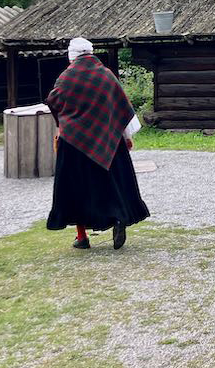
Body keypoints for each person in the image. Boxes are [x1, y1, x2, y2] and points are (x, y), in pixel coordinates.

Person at [46, 37, 149, 249]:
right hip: (109, 141)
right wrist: (126, 138)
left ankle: (82, 237)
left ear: (72, 56)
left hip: (74, 143)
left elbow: (53, 101)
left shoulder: (67, 77)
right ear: (91, 53)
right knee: (113, 184)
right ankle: (119, 218)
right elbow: (121, 105)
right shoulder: (106, 75)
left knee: (75, 189)